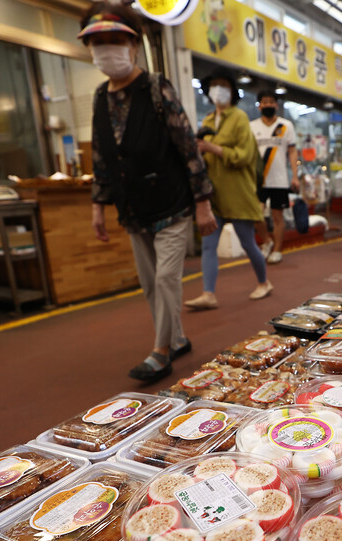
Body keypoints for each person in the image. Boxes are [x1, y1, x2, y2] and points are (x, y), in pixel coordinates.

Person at [81, 4, 217, 383]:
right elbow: (101, 155)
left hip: (172, 203)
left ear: (134, 44)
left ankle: (161, 352)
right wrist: (98, 204)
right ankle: (177, 337)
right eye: (98, 42)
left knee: (165, 279)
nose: (107, 49)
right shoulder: (99, 97)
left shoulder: (157, 86)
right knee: (148, 283)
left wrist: (203, 203)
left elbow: (188, 146)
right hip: (133, 207)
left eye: (115, 40)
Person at [184, 67, 273, 310]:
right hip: (214, 195)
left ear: (232, 91)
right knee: (209, 244)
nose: (218, 89)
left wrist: (212, 148)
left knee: (247, 242)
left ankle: (264, 282)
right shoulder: (208, 120)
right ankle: (208, 294)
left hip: (238, 193)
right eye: (214, 85)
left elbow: (243, 156)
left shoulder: (239, 118)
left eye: (224, 85)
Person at [250, 90, 299, 264]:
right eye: (264, 102)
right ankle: (267, 241)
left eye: (271, 102)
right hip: (258, 180)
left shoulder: (286, 126)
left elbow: (292, 152)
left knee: (278, 217)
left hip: (280, 180)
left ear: (276, 105)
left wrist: (295, 176)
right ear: (259, 106)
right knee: (256, 215)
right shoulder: (252, 126)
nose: (268, 105)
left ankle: (277, 250)